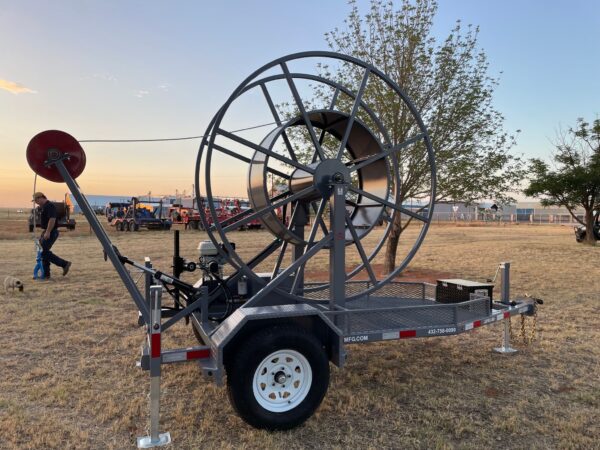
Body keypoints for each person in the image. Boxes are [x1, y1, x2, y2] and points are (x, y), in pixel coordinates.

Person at [33, 192, 71, 280]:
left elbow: (52, 219)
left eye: (36, 200)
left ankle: (64, 264)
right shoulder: (44, 207)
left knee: (43, 252)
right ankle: (46, 274)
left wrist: (48, 232)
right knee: (42, 251)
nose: (36, 202)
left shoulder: (49, 206)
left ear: (41, 198)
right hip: (46, 231)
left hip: (51, 232)